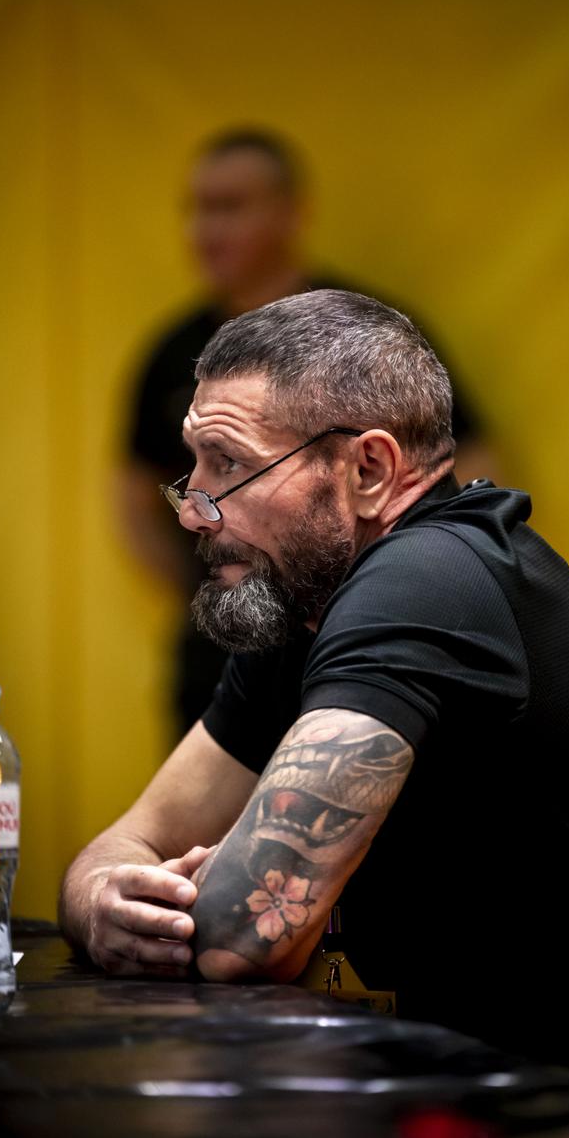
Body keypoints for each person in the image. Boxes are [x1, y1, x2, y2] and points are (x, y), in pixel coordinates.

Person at [65, 290, 569, 1084]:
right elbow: (126, 844)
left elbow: (243, 939)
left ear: (370, 470)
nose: (192, 512)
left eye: (230, 464)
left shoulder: (428, 579)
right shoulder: (301, 600)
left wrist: (199, 892)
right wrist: (103, 899)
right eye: (194, 465)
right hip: (514, 1084)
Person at [118, 128, 494, 733]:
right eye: (196, 208)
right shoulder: (171, 352)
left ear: (292, 212)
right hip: (224, 653)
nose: (205, 229)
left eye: (229, 206)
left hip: (361, 642)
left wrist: (393, 589)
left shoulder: (367, 337)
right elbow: (136, 498)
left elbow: (467, 467)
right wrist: (232, 577)